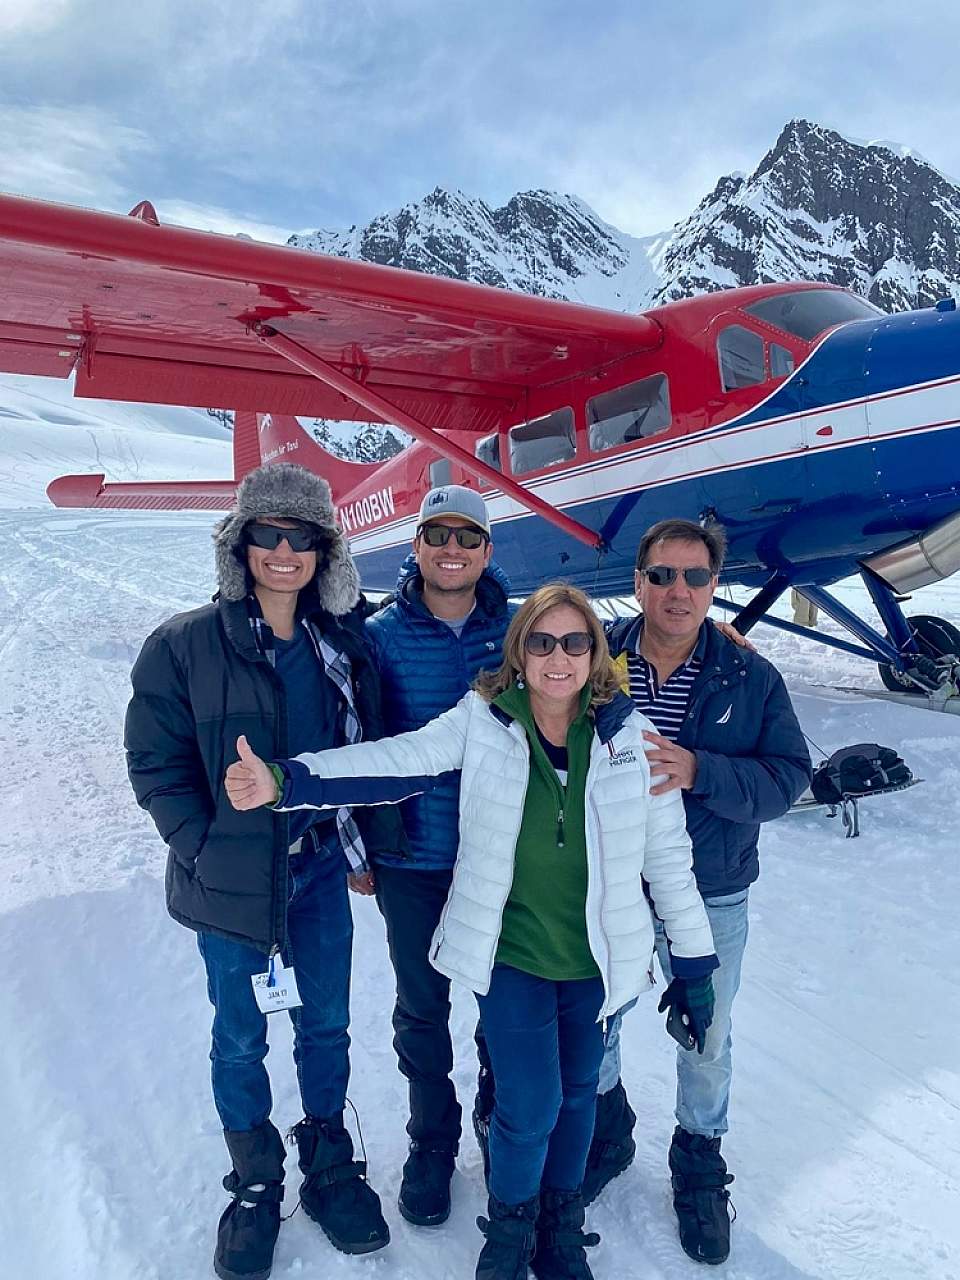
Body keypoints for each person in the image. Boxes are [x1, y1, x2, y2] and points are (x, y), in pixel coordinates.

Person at [225, 582, 720, 1280]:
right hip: (513, 952)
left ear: (595, 654)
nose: (558, 658)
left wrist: (695, 967)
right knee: (529, 1102)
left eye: (575, 643)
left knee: (580, 1094)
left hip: (595, 963)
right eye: (542, 642)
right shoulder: (484, 720)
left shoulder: (631, 741)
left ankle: (560, 1225)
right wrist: (287, 779)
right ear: (520, 653)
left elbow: (669, 862)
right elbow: (399, 760)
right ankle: (511, 1227)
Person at [124, 463, 401, 1280]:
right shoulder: (183, 644)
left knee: (326, 1026)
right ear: (239, 545)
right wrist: (200, 846)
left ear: (326, 551)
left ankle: (325, 1160)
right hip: (232, 884)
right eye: (266, 536)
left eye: (302, 538)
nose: (284, 553)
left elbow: (372, 749)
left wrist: (361, 846)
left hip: (316, 873)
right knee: (240, 1038)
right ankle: (253, 1183)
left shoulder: (343, 643)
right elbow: (153, 758)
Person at [588, 518, 812, 1266]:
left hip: (711, 889)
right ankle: (606, 1129)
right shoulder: (592, 658)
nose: (676, 592)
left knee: (707, 1037)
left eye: (694, 577)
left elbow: (788, 778)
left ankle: (698, 1156)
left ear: (715, 586)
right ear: (638, 583)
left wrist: (700, 772)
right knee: (599, 1017)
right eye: (661, 576)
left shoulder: (751, 675)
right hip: (610, 882)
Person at [362, 484, 516, 1227]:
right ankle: (433, 1140)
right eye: (437, 535)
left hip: (501, 858)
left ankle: (494, 1115)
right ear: (415, 547)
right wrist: (359, 842)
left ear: (487, 551)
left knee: (503, 1003)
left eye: (467, 536)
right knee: (422, 1010)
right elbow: (359, 742)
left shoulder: (520, 633)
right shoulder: (380, 635)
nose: (452, 548)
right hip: (412, 858)